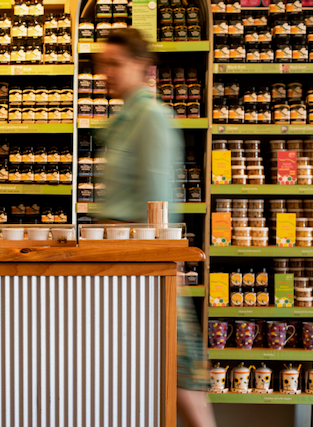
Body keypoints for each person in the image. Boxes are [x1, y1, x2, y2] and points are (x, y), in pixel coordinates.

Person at [96, 28, 217, 427]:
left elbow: (157, 201)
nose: (106, 74)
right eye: (102, 65)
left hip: (146, 263)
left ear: (142, 68)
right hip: (123, 261)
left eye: (115, 64)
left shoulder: (151, 117)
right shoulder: (123, 118)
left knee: (180, 367)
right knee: (158, 370)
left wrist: (155, 264)